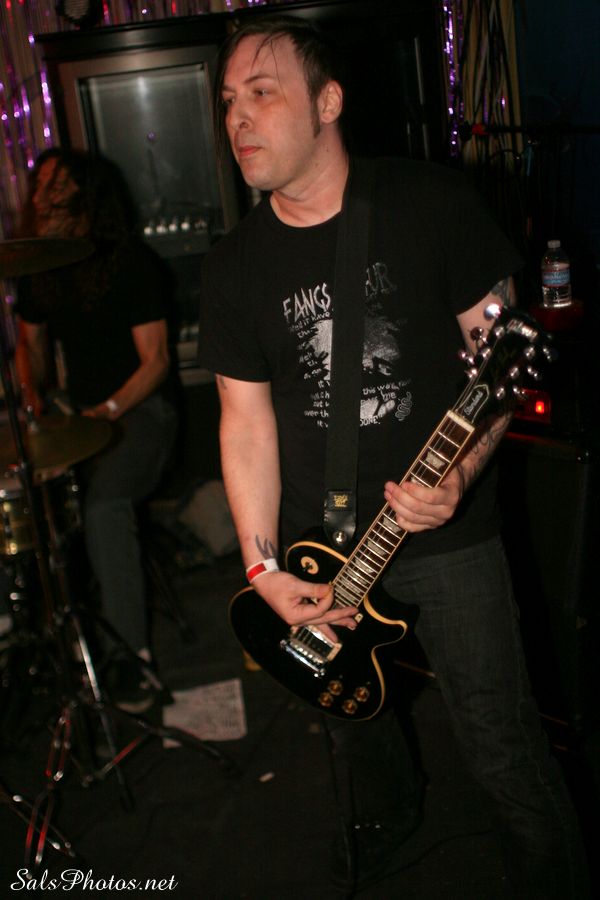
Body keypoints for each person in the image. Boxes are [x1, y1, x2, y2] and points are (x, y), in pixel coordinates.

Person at [197, 15, 589, 898]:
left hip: (449, 536)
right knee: (354, 731)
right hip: (318, 547)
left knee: (502, 746)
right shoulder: (232, 268)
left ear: (328, 102)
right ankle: (390, 818)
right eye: (227, 101)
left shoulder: (431, 203)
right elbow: (244, 424)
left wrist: (461, 473)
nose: (238, 118)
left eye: (262, 93)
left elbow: (498, 358)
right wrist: (262, 567)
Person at [15, 148, 179, 712]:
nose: (41, 200)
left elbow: (156, 363)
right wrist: (34, 395)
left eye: (55, 189)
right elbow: (30, 346)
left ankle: (132, 658)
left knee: (106, 504)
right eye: (39, 188)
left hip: (140, 411)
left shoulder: (129, 262)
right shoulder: (41, 267)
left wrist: (105, 412)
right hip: (79, 414)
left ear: (86, 200)